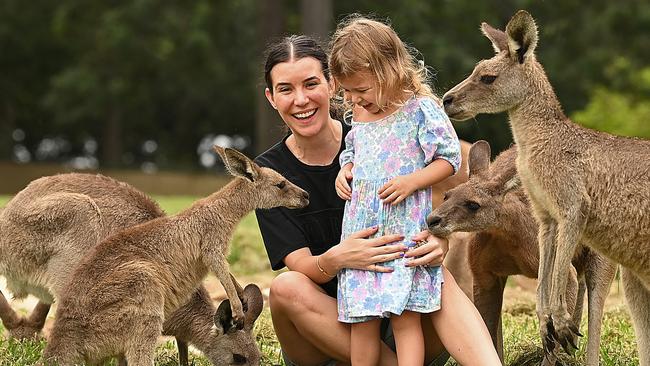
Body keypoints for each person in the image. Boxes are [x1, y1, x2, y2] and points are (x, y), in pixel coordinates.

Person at [255, 33, 499, 366]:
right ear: (271, 97)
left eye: (311, 83)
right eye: (285, 89)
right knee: (286, 287)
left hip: (401, 313)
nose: (301, 100)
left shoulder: (379, 128)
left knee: (439, 278)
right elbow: (301, 266)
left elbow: (438, 208)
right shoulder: (269, 174)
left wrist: (437, 243)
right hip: (325, 331)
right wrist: (339, 258)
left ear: (332, 83)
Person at [329, 15, 462, 366]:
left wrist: (412, 181)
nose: (354, 99)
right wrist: (346, 171)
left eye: (361, 90)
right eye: (348, 92)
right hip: (362, 236)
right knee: (362, 321)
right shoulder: (359, 116)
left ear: (388, 71)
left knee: (406, 318)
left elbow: (449, 160)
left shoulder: (420, 111)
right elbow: (353, 152)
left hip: (403, 233)